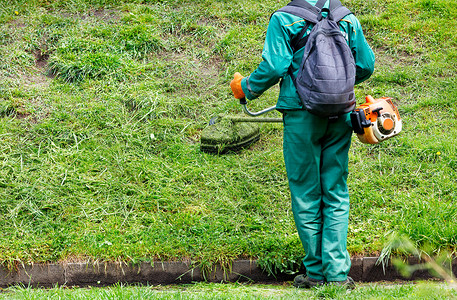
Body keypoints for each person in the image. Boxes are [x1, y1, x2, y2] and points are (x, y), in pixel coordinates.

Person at [230, 0, 375, 288]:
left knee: (306, 192)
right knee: (335, 190)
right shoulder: (346, 17)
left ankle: (315, 275)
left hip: (300, 114)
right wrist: (334, 84)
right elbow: (366, 65)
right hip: (342, 113)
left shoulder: (284, 18)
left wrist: (245, 87)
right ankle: (336, 274)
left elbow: (275, 66)